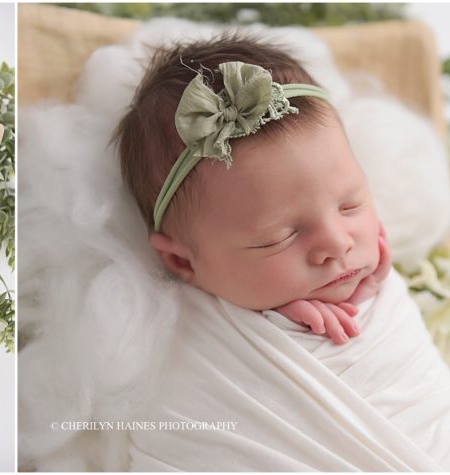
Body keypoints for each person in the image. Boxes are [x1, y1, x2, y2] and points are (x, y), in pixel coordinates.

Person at [116, 36, 390, 345]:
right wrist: (281, 328)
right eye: (278, 238)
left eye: (350, 206)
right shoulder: (164, 334)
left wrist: (366, 298)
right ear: (182, 262)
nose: (339, 244)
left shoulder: (386, 289)